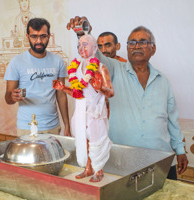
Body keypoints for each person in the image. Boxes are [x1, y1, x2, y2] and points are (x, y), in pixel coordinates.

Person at [67, 16, 188, 180]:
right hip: (123, 162)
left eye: (143, 42)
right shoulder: (113, 69)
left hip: (162, 160)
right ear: (127, 48)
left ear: (153, 49)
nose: (136, 46)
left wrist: (180, 150)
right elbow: (95, 55)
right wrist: (82, 33)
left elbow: (172, 121)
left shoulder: (163, 80)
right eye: (131, 43)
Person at [53, 34, 114, 182]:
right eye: (79, 46)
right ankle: (88, 169)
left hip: (95, 111)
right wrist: (63, 88)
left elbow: (110, 92)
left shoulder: (101, 67)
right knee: (83, 139)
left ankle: (98, 170)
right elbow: (77, 93)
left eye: (85, 45)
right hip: (80, 111)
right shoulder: (76, 68)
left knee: (96, 141)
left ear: (94, 47)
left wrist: (100, 88)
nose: (81, 48)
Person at [5, 18, 71, 137]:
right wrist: (12, 97)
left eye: (43, 36)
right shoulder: (16, 62)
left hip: (53, 127)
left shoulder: (58, 61)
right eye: (34, 36)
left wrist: (67, 125)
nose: (39, 41)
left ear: (49, 36)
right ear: (28, 37)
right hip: (27, 127)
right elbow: (8, 98)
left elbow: (61, 95)